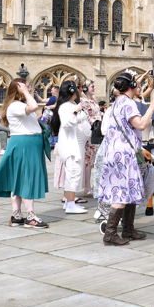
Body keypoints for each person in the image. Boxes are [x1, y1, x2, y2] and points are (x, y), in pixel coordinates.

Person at [97, 71, 154, 245]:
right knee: (122, 194)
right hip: (124, 154)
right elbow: (141, 124)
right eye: (136, 84)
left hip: (115, 152)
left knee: (129, 191)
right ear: (131, 87)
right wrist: (151, 109)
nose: (138, 86)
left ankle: (128, 229)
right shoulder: (129, 104)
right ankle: (110, 234)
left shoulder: (117, 103)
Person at [0, 80, 49, 228]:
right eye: (27, 86)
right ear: (18, 89)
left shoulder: (19, 105)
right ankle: (30, 216)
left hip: (27, 143)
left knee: (18, 179)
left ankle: (16, 216)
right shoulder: (15, 105)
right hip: (25, 143)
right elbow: (34, 106)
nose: (30, 88)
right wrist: (26, 92)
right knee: (27, 178)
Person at [50, 80, 91, 214]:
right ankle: (71, 204)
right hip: (70, 147)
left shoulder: (71, 105)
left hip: (77, 145)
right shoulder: (65, 107)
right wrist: (75, 112)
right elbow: (67, 123)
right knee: (73, 174)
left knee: (74, 174)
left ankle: (69, 202)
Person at [79, 80, 102, 196]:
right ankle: (87, 186)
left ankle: (94, 185)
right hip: (90, 131)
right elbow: (85, 115)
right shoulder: (82, 101)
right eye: (92, 86)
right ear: (86, 88)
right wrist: (93, 121)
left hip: (97, 131)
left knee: (95, 159)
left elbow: (98, 113)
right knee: (88, 160)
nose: (94, 88)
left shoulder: (93, 100)